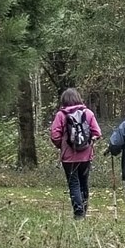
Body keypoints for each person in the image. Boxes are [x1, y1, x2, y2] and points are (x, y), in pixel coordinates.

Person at [47, 87, 100, 219]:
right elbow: (97, 133)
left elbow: (54, 135)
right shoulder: (88, 113)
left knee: (74, 184)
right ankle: (84, 209)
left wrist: (62, 145)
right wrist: (89, 144)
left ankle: (78, 212)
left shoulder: (61, 115)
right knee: (83, 183)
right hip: (86, 156)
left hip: (68, 158)